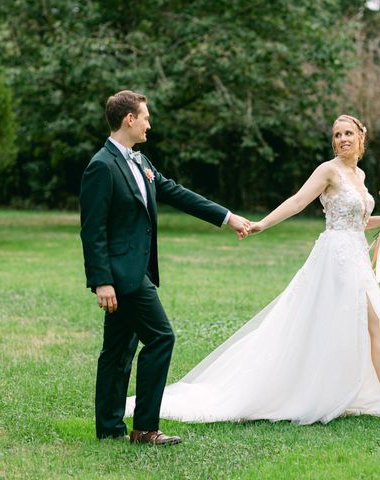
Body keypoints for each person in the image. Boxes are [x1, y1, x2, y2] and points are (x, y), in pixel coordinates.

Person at [125, 114, 380, 424]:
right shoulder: (328, 171)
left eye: (348, 133)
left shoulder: (360, 177)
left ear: (361, 138)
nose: (342, 139)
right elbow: (297, 202)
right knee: (369, 321)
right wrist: (262, 224)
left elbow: (358, 223)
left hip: (356, 256)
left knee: (362, 323)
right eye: (337, 135)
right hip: (335, 259)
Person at [80, 90, 251, 445]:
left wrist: (227, 217)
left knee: (118, 350)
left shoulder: (141, 162)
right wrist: (102, 281)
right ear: (129, 119)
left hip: (138, 271)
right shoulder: (101, 165)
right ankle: (144, 428)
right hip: (122, 275)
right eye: (145, 116)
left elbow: (175, 192)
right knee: (161, 337)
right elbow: (92, 229)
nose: (149, 123)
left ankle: (109, 428)